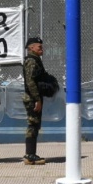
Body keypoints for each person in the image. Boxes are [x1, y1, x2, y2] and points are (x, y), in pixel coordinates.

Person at [22, 36, 53, 165]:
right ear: (31, 48)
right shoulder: (32, 61)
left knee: (34, 125)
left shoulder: (35, 60)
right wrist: (37, 99)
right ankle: (29, 155)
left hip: (34, 97)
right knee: (33, 125)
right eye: (39, 47)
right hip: (32, 98)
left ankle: (31, 154)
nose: (42, 49)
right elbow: (30, 82)